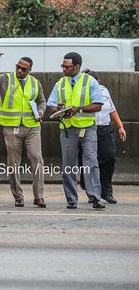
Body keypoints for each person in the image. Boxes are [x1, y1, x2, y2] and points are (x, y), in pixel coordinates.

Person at [0, 46, 47, 208]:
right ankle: (18, 196)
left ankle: (38, 196)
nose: (19, 70)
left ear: (29, 70)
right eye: (18, 67)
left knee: (37, 158)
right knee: (13, 163)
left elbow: (42, 101)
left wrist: (41, 111)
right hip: (11, 128)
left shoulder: (35, 82)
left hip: (32, 127)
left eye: (23, 69)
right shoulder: (6, 79)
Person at [47, 52, 105, 209]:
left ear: (77, 67)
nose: (63, 69)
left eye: (67, 66)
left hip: (87, 128)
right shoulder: (60, 83)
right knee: (68, 165)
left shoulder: (89, 81)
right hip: (68, 129)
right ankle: (71, 199)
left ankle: (95, 197)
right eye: (62, 66)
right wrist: (57, 108)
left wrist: (78, 109)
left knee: (91, 163)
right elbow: (51, 104)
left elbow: (98, 105)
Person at [78, 70, 127, 203]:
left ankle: (106, 192)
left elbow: (112, 109)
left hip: (104, 129)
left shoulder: (104, 90)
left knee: (109, 158)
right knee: (88, 161)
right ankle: (92, 190)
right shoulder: (80, 92)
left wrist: (120, 126)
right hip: (87, 129)